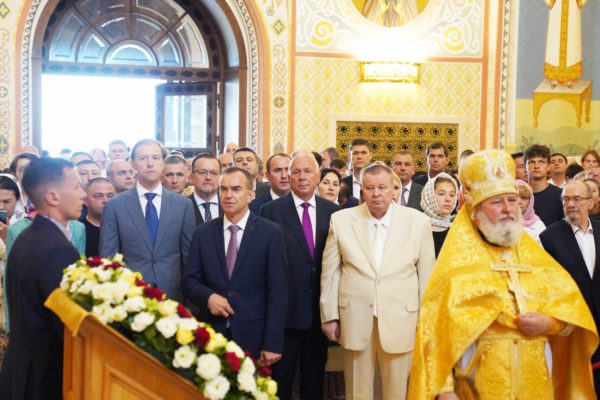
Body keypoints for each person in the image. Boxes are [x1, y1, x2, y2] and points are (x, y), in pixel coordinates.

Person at [409, 149, 598, 400]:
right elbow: (433, 335)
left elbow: (571, 311)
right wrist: (443, 391)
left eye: (512, 200)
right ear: (476, 211)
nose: (508, 208)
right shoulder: (457, 266)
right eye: (497, 202)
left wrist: (549, 323)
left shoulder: (536, 260)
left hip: (536, 386)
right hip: (480, 388)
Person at [321, 163, 435, 400]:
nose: (376, 194)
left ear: (393, 188)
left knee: (397, 391)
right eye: (370, 188)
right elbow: (330, 273)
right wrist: (329, 315)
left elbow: (427, 276)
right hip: (355, 315)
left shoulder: (418, 222)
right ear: (361, 189)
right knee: (357, 390)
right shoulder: (341, 220)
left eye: (382, 188)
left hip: (401, 317)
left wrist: (425, 322)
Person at [0, 157, 85, 399]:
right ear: (53, 197)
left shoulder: (27, 237)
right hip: (44, 378)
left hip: (22, 370)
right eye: (76, 187)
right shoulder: (56, 249)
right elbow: (66, 323)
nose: (83, 194)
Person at [182, 167, 287, 361]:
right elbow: (189, 281)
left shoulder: (270, 233)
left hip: (254, 334)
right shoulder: (203, 233)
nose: (228, 195)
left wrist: (272, 343)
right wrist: (209, 297)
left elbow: (278, 292)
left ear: (250, 195)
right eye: (223, 189)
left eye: (236, 189)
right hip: (212, 333)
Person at [261, 152, 340, 400]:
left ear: (318, 176)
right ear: (289, 176)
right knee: (280, 383)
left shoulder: (334, 212)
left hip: (320, 314)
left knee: (314, 383)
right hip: (285, 314)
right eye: (296, 172)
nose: (302, 177)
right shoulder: (270, 212)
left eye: (308, 172)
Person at [100, 139, 195, 302]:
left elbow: (188, 258)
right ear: (132, 164)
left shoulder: (183, 205)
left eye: (155, 158)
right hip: (129, 295)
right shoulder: (115, 206)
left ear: (163, 163)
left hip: (173, 294)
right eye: (143, 158)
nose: (150, 164)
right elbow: (109, 258)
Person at [540, 179, 600, 395]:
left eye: (577, 199)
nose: (571, 204)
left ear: (591, 202)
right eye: (566, 199)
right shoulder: (550, 237)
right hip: (573, 325)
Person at [544, 0, 587, 87]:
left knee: (572, 41)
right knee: (555, 40)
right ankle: (554, 78)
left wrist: (580, 2)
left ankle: (570, 77)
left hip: (572, 7)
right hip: (557, 7)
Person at [524, 144, 564, 226]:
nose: (536, 166)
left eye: (541, 162)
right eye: (532, 162)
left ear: (548, 166)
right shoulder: (517, 196)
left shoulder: (560, 195)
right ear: (525, 167)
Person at [420, 173, 458, 257]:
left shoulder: (457, 229)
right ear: (429, 195)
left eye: (452, 195)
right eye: (441, 194)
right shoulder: (417, 226)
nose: (448, 199)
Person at [81, 178, 115, 257]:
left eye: (110, 196)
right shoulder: (78, 229)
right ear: (85, 201)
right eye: (98, 196)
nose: (106, 200)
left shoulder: (124, 227)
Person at [188, 153, 223, 225]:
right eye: (202, 173)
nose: (208, 177)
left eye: (214, 173)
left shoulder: (230, 204)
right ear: (192, 177)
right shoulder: (182, 207)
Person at [515, 179, 546, 243]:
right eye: (515, 198)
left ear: (530, 202)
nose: (519, 202)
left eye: (524, 198)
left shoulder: (538, 225)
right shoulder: (501, 223)